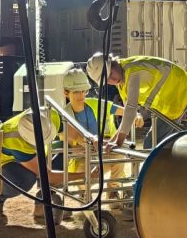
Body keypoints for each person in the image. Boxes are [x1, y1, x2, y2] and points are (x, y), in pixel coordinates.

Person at [0, 105, 92, 225]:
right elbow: (47, 175)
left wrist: (92, 141)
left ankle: (44, 202)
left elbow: (75, 135)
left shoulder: (49, 116)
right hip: (3, 166)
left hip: (32, 154)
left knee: (63, 150)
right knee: (24, 179)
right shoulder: (14, 141)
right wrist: (85, 175)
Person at [61, 68, 143, 203]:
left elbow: (126, 111)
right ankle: (84, 194)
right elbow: (67, 137)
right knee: (83, 177)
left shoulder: (96, 104)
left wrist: (137, 115)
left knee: (119, 157)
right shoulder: (64, 114)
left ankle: (113, 191)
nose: (81, 95)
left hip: (106, 150)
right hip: (82, 156)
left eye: (84, 91)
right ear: (66, 92)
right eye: (76, 92)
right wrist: (87, 143)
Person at [86, 53, 187, 150]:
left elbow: (131, 109)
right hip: (172, 97)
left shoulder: (133, 72)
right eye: (107, 80)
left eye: (111, 74)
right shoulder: (122, 78)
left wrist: (118, 142)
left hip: (180, 94)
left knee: (152, 145)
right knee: (164, 143)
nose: (112, 80)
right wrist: (113, 141)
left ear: (114, 63)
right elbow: (128, 114)